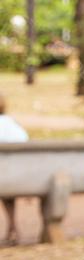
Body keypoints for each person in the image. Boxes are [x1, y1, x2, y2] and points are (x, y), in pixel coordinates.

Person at [0, 93, 29, 245]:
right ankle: (13, 227)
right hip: (18, 177)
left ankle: (12, 228)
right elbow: (25, 139)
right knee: (7, 189)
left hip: (3, 178)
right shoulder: (13, 124)